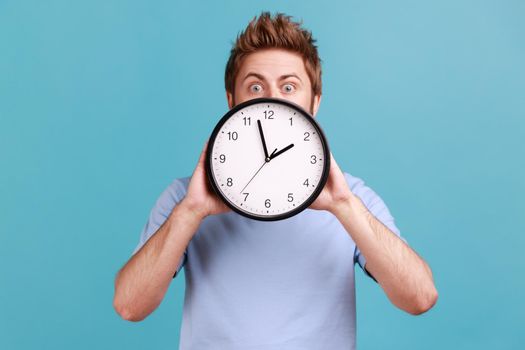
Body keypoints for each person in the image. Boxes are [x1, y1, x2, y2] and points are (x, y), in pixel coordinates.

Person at [113, 12, 438, 349]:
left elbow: (420, 297)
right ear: (232, 101)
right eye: (255, 86)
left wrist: (343, 207)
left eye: (289, 87)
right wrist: (191, 211)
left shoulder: (351, 198)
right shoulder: (185, 197)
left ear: (314, 102)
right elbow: (129, 306)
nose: (271, 99)